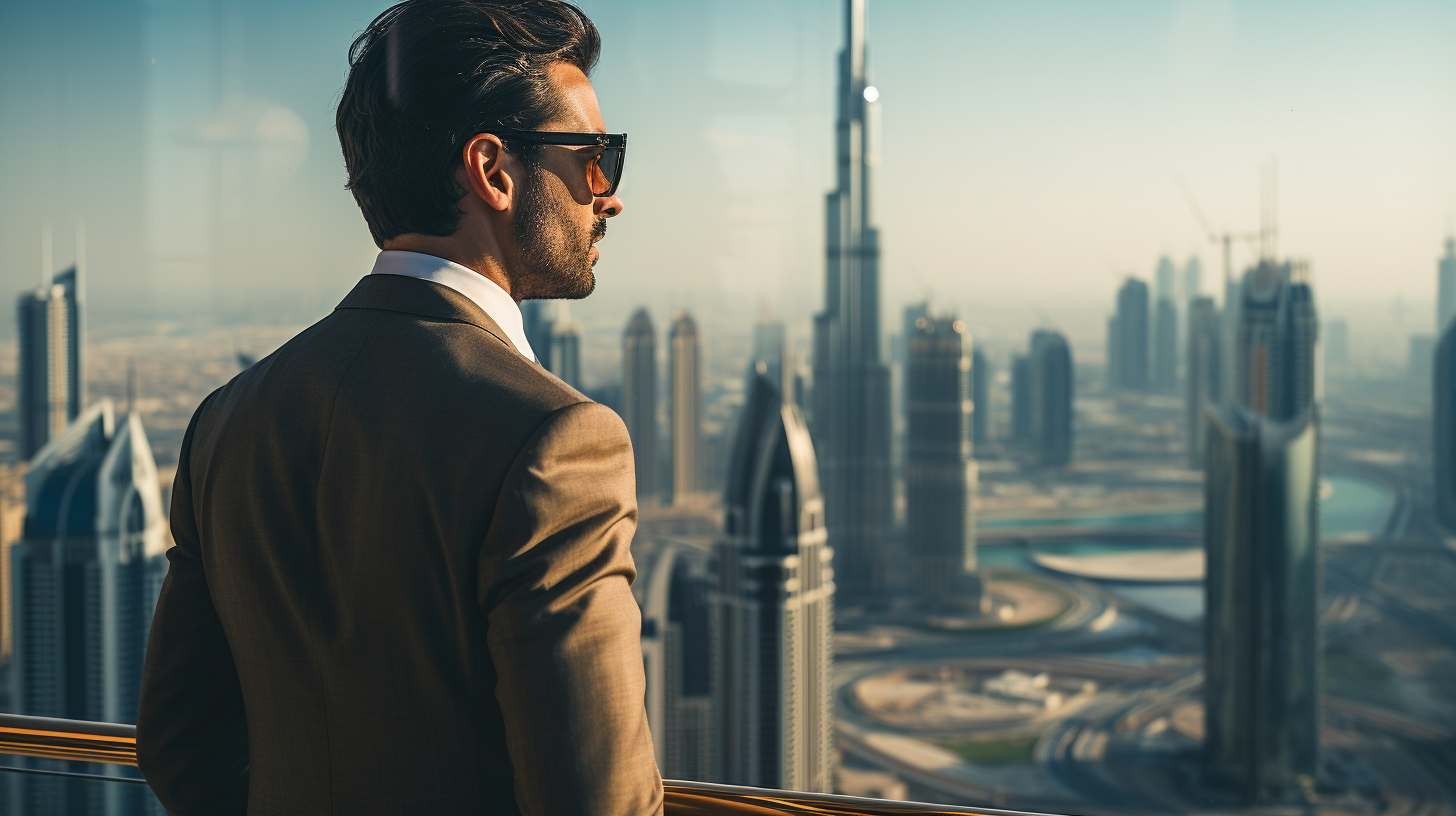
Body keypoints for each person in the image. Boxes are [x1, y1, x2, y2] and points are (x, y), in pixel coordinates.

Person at [135, 1, 662, 814]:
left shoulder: (230, 417)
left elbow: (180, 746)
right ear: (492, 170)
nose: (609, 196)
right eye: (594, 157)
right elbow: (597, 801)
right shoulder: (554, 441)